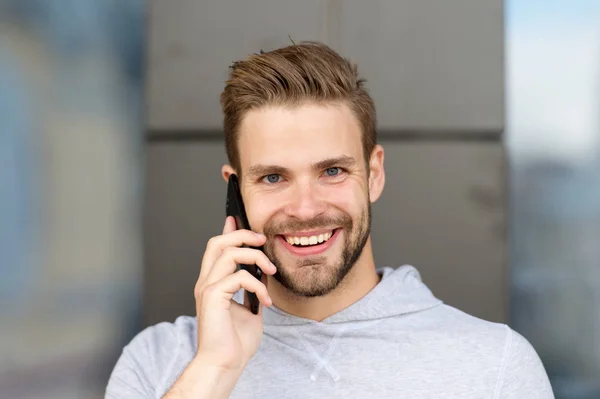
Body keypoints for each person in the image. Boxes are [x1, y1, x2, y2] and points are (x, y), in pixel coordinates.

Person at [105, 41, 554, 398]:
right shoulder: (159, 362)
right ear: (235, 190)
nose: (305, 208)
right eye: (273, 177)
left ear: (374, 174)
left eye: (332, 171)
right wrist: (215, 370)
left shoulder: (494, 365)